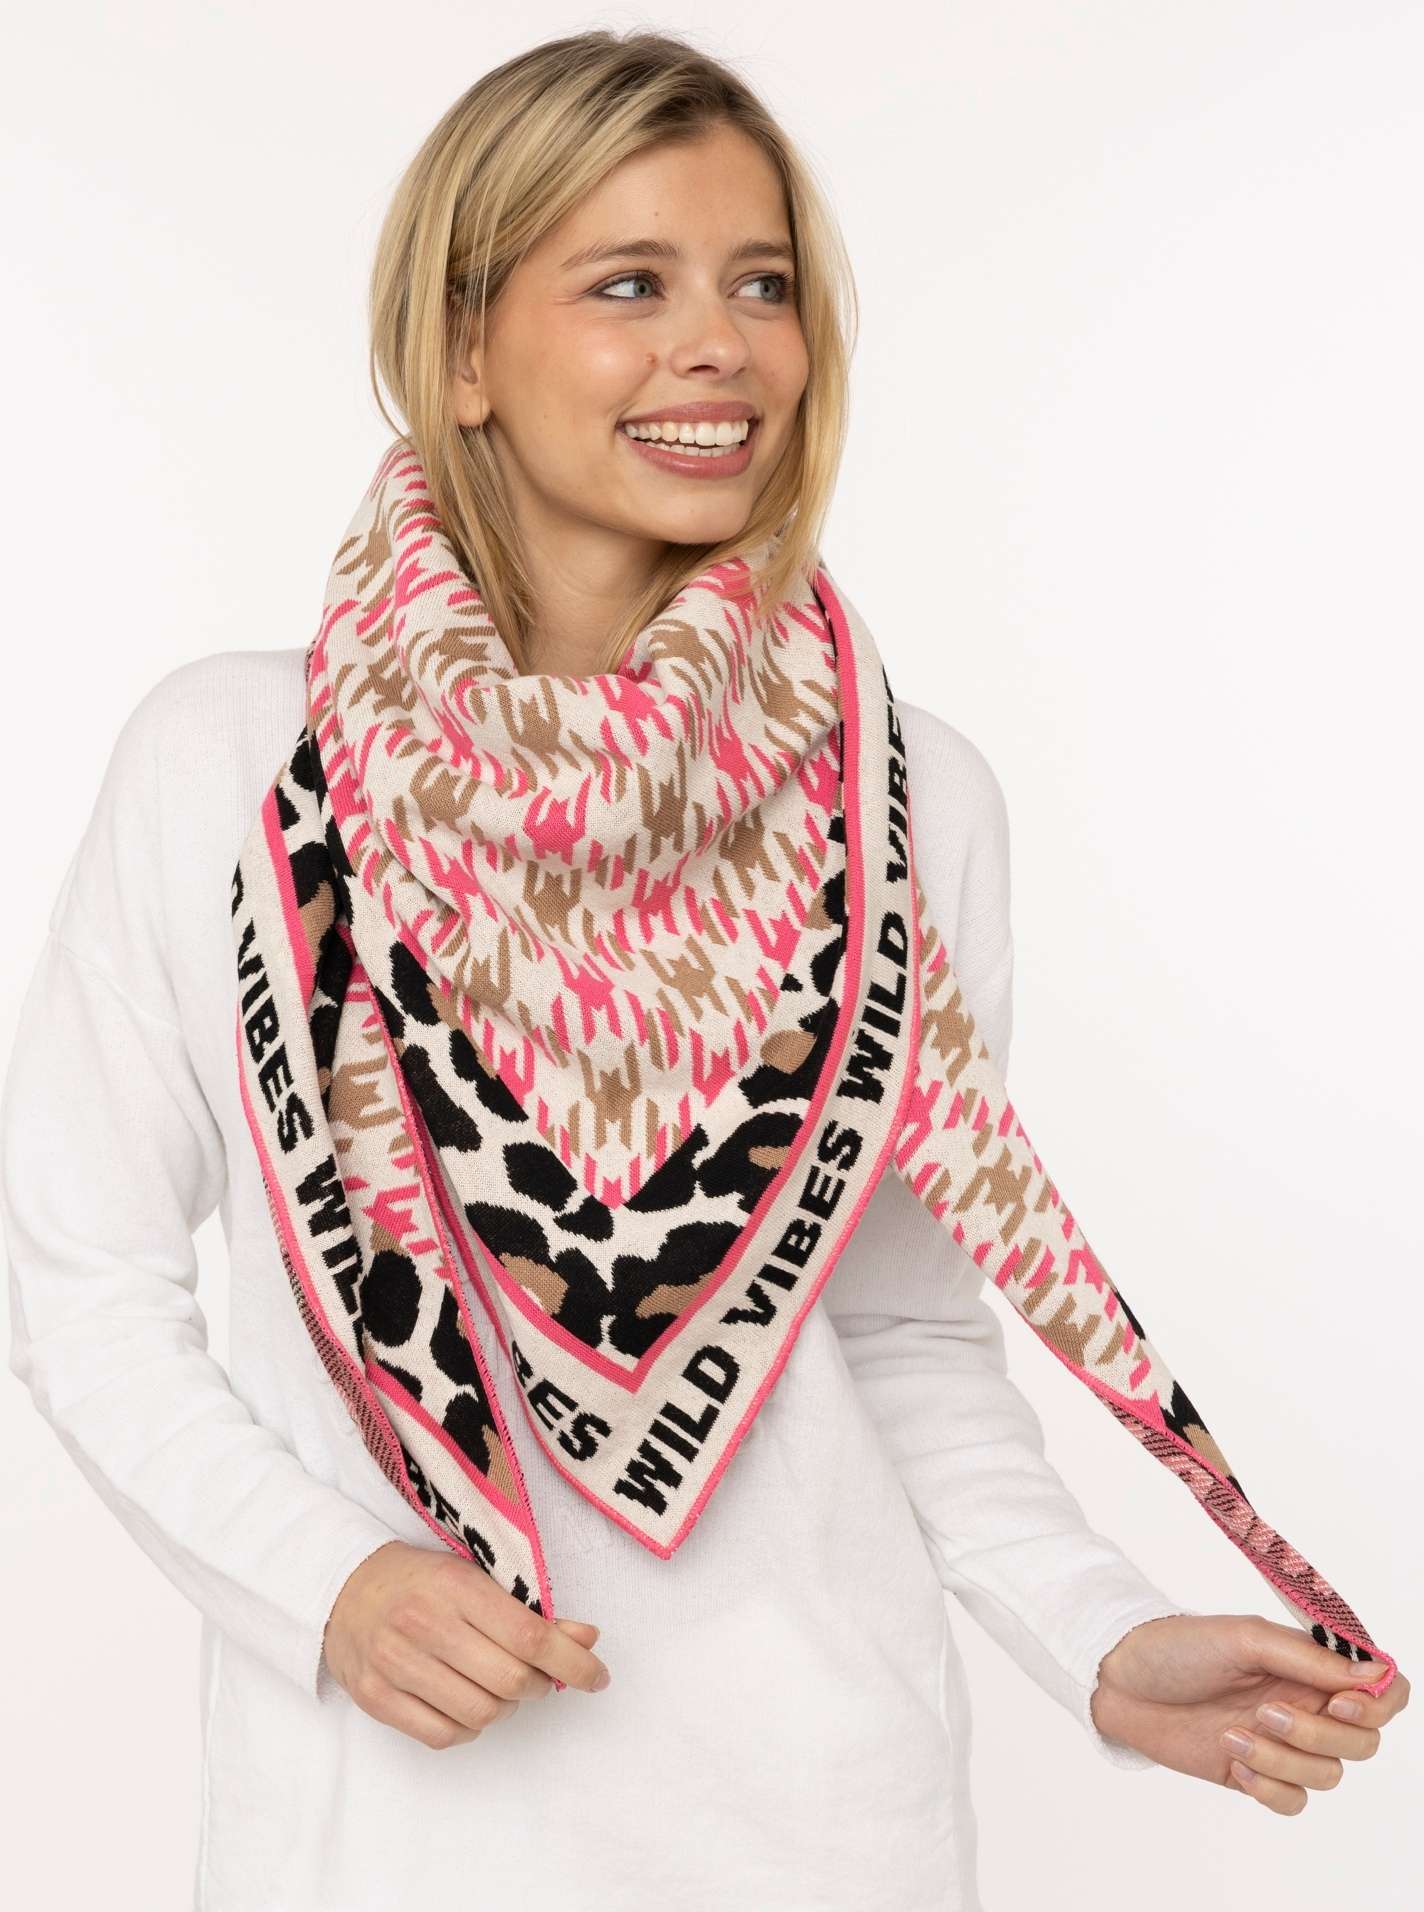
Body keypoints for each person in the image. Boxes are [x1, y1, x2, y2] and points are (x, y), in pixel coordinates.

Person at [2, 28, 1405, 1912]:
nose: (721, 347)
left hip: (829, 1826)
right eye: (629, 286)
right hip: (384, 1832)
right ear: (464, 348)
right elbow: (82, 1279)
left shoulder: (905, 801)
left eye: (762, 285)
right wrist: (322, 1582)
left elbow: (897, 1332)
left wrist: (1095, 1630)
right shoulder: (240, 771)